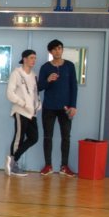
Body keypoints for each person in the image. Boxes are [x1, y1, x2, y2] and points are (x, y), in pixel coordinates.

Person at [37, 39, 78, 177]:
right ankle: (48, 165)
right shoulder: (45, 67)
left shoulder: (70, 66)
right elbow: (39, 87)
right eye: (54, 49)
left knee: (66, 137)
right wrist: (47, 80)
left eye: (59, 48)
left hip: (65, 108)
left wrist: (73, 106)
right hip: (49, 107)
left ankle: (64, 166)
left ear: (62, 50)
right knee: (47, 136)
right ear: (50, 51)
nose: (57, 51)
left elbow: (74, 87)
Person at [5, 49, 40, 177]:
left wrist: (38, 104)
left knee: (34, 138)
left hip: (32, 113)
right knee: (19, 138)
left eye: (35, 58)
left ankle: (13, 159)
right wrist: (23, 104)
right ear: (24, 59)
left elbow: (35, 93)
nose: (34, 60)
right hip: (20, 111)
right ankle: (13, 165)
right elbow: (10, 94)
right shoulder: (16, 73)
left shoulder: (34, 75)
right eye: (31, 58)